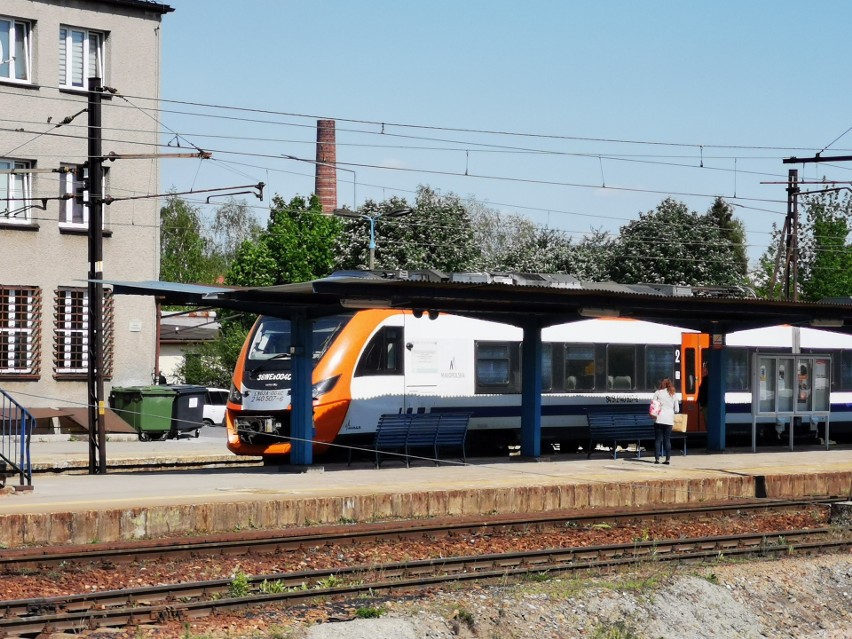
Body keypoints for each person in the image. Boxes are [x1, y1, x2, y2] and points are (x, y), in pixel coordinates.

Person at [652, 377, 679, 465]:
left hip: (659, 419)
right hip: (669, 420)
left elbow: (653, 406)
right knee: (667, 440)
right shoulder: (673, 394)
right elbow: (677, 410)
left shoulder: (658, 393)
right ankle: (667, 460)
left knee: (658, 440)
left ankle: (657, 459)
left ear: (662, 384)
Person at [697, 362, 709, 427]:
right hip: (710, 404)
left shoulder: (705, 379)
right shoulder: (717, 378)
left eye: (705, 368)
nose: (704, 370)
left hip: (706, 405)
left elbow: (703, 392)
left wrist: (701, 404)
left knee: (708, 422)